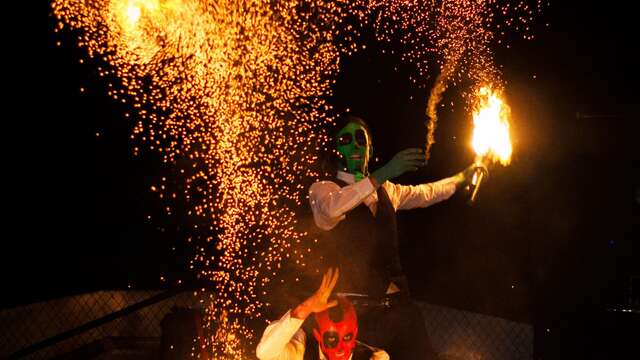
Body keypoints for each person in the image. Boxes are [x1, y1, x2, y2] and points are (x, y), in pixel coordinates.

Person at [308, 115, 485, 359]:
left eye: (361, 140)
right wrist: (386, 171)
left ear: (370, 148)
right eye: (346, 140)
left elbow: (427, 193)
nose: (355, 146)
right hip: (357, 314)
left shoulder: (387, 190)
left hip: (400, 307)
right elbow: (332, 209)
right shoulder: (324, 190)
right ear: (335, 149)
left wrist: (462, 177)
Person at [256, 268, 389, 360]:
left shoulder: (375, 355)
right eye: (332, 339)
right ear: (318, 336)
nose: (340, 350)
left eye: (347, 338)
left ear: (355, 333)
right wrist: (305, 308)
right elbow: (266, 353)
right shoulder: (301, 351)